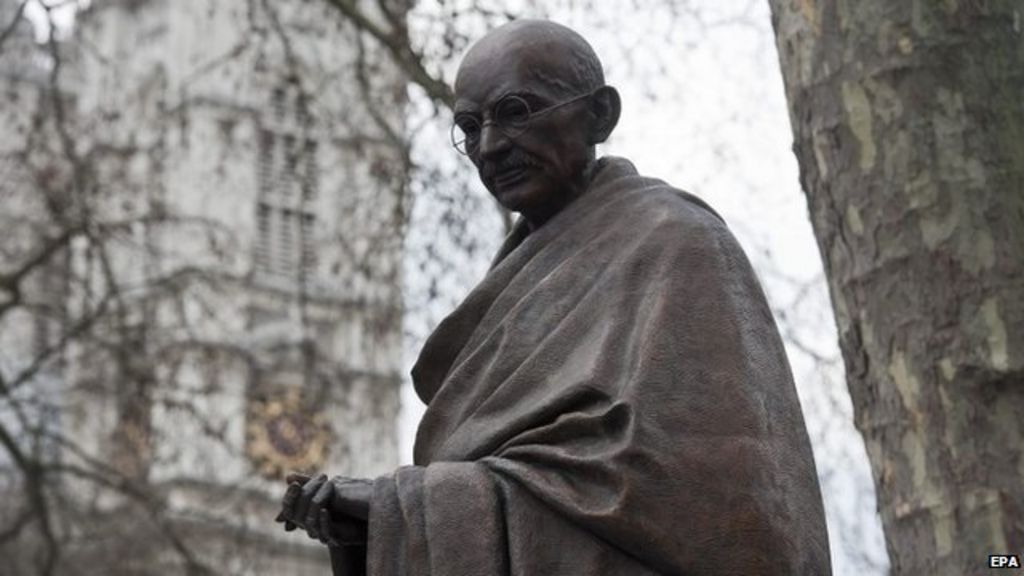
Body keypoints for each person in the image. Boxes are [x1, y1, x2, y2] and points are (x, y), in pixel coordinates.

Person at [277, 19, 832, 575]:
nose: (490, 146)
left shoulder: (676, 244)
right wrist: (383, 524)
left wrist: (409, 505)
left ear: (600, 115)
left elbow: (697, 498)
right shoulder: (508, 287)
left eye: (516, 112)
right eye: (469, 127)